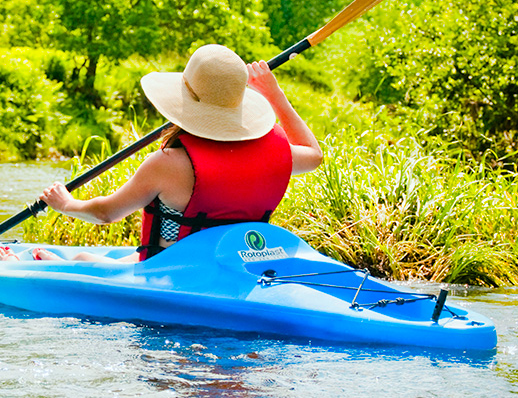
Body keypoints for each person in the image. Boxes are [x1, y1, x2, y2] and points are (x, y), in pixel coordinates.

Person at [37, 43, 323, 262]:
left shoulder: (168, 164)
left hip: (171, 269)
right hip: (235, 264)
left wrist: (66, 204)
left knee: (81, 258)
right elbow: (314, 154)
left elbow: (105, 213)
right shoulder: (275, 154)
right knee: (107, 260)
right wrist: (275, 94)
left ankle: (48, 264)